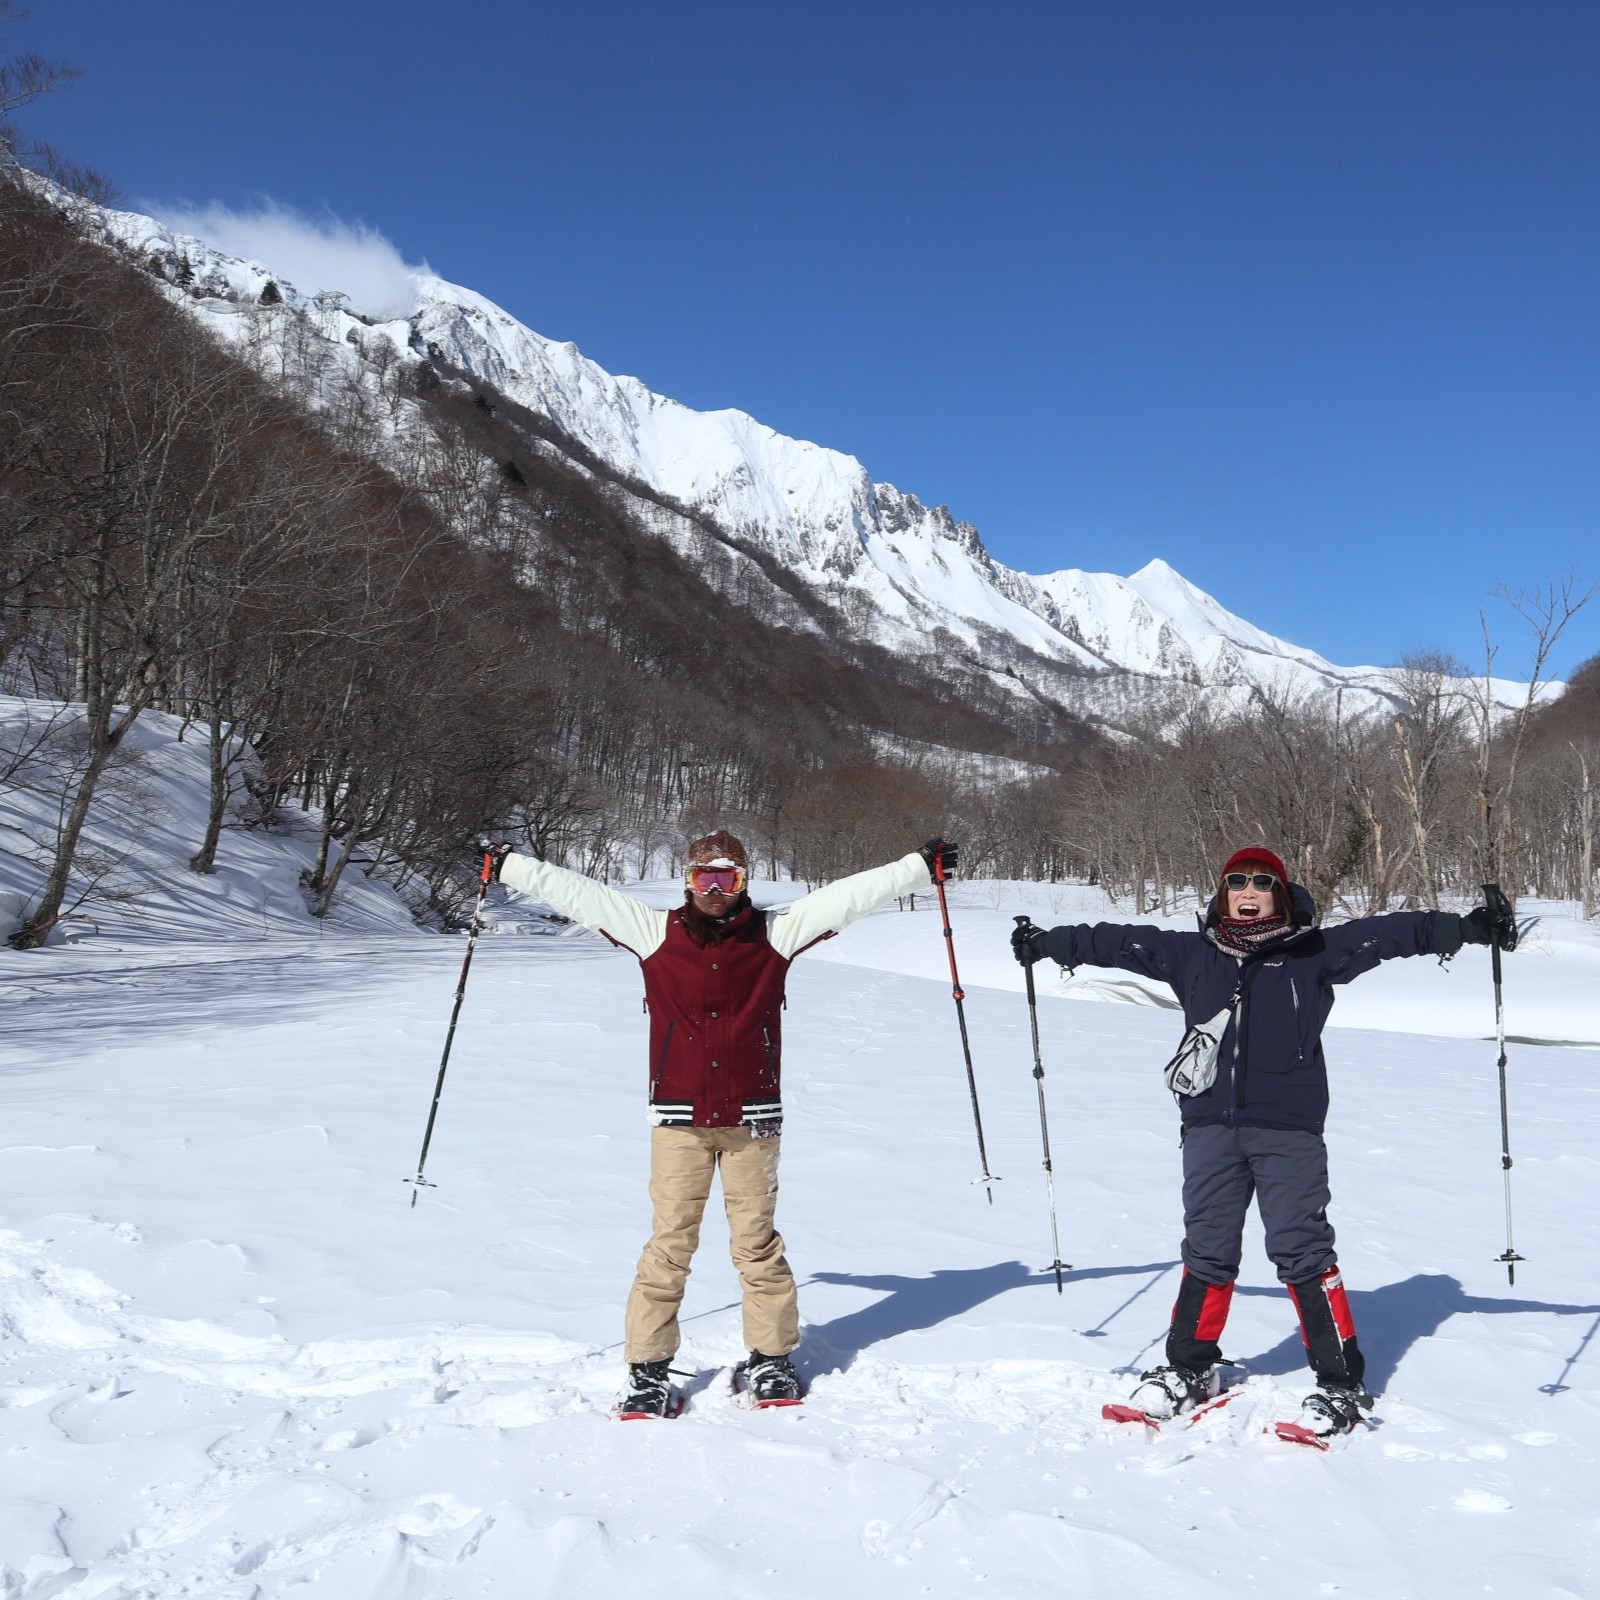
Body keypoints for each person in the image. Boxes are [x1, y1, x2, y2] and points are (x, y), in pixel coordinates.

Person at [1011, 846, 1516, 1436]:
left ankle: (1338, 1383)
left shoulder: (1313, 954)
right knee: (1207, 1248)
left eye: (1261, 883)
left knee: (1301, 1249)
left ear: (1280, 893)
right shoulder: (1192, 955)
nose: (1247, 892)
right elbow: (1119, 942)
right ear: (1222, 894)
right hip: (1208, 1127)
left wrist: (1468, 930)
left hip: (1288, 1129)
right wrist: (1049, 943)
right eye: (1235, 882)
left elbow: (1390, 933)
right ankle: (1191, 1369)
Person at [481, 828, 953, 1418]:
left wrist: (915, 866)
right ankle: (648, 1370)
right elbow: (580, 894)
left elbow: (848, 897)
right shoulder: (655, 932)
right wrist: (508, 867)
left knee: (756, 1245)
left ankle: (770, 1359)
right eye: (704, 877)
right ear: (687, 880)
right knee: (669, 1245)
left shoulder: (774, 935)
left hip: (753, 1119)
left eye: (726, 878)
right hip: (679, 1119)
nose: (714, 888)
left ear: (743, 881)